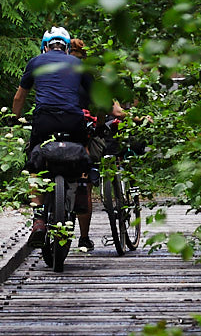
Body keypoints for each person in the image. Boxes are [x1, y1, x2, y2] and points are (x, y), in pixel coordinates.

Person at [9, 26, 125, 252]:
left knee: (35, 163)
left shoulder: (35, 62)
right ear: (66, 46)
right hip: (73, 121)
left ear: (45, 46)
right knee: (81, 155)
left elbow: (18, 97)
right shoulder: (79, 65)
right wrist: (100, 125)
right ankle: (81, 192)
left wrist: (14, 120)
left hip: (44, 122)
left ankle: (39, 217)